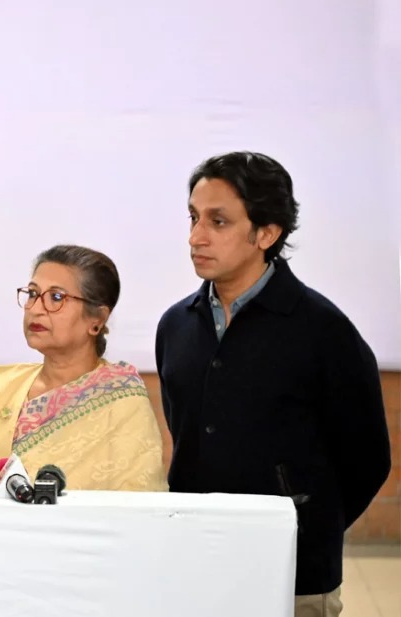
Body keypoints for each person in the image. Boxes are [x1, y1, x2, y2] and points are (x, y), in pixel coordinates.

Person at [155, 151, 391, 616]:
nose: (196, 237)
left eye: (218, 221)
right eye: (193, 218)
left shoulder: (323, 330)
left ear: (267, 233)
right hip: (195, 565)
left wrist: (306, 526)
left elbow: (367, 460)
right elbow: (185, 433)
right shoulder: (175, 326)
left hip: (294, 577)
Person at [0, 245, 166, 491]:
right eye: (33, 294)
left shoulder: (121, 398)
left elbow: (138, 500)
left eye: (56, 298)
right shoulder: (6, 386)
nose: (35, 309)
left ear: (97, 319)